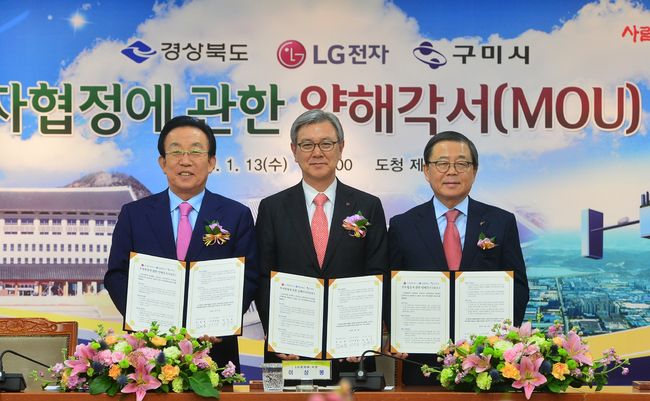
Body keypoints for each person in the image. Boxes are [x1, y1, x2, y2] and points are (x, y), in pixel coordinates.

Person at [104, 115, 258, 371]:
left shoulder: (236, 215)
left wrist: (221, 322)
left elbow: (250, 276)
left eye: (195, 152)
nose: (185, 160)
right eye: (176, 152)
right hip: (150, 353)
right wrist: (143, 323)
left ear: (211, 162)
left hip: (215, 351)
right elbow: (117, 275)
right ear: (163, 163)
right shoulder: (134, 214)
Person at [255, 109, 389, 382]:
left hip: (352, 351)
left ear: (341, 147)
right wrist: (277, 333)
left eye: (326, 143)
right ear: (294, 150)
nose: (317, 152)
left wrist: (365, 333)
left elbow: (378, 273)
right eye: (307, 144)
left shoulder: (368, 206)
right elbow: (263, 276)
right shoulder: (272, 208)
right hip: (289, 351)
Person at [388, 131, 529, 385]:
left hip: (486, 362)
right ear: (426, 170)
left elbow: (518, 287)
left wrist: (501, 342)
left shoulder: (501, 222)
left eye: (462, 163)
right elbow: (390, 288)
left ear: (474, 170)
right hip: (422, 362)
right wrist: (398, 334)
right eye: (442, 163)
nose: (451, 171)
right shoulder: (403, 225)